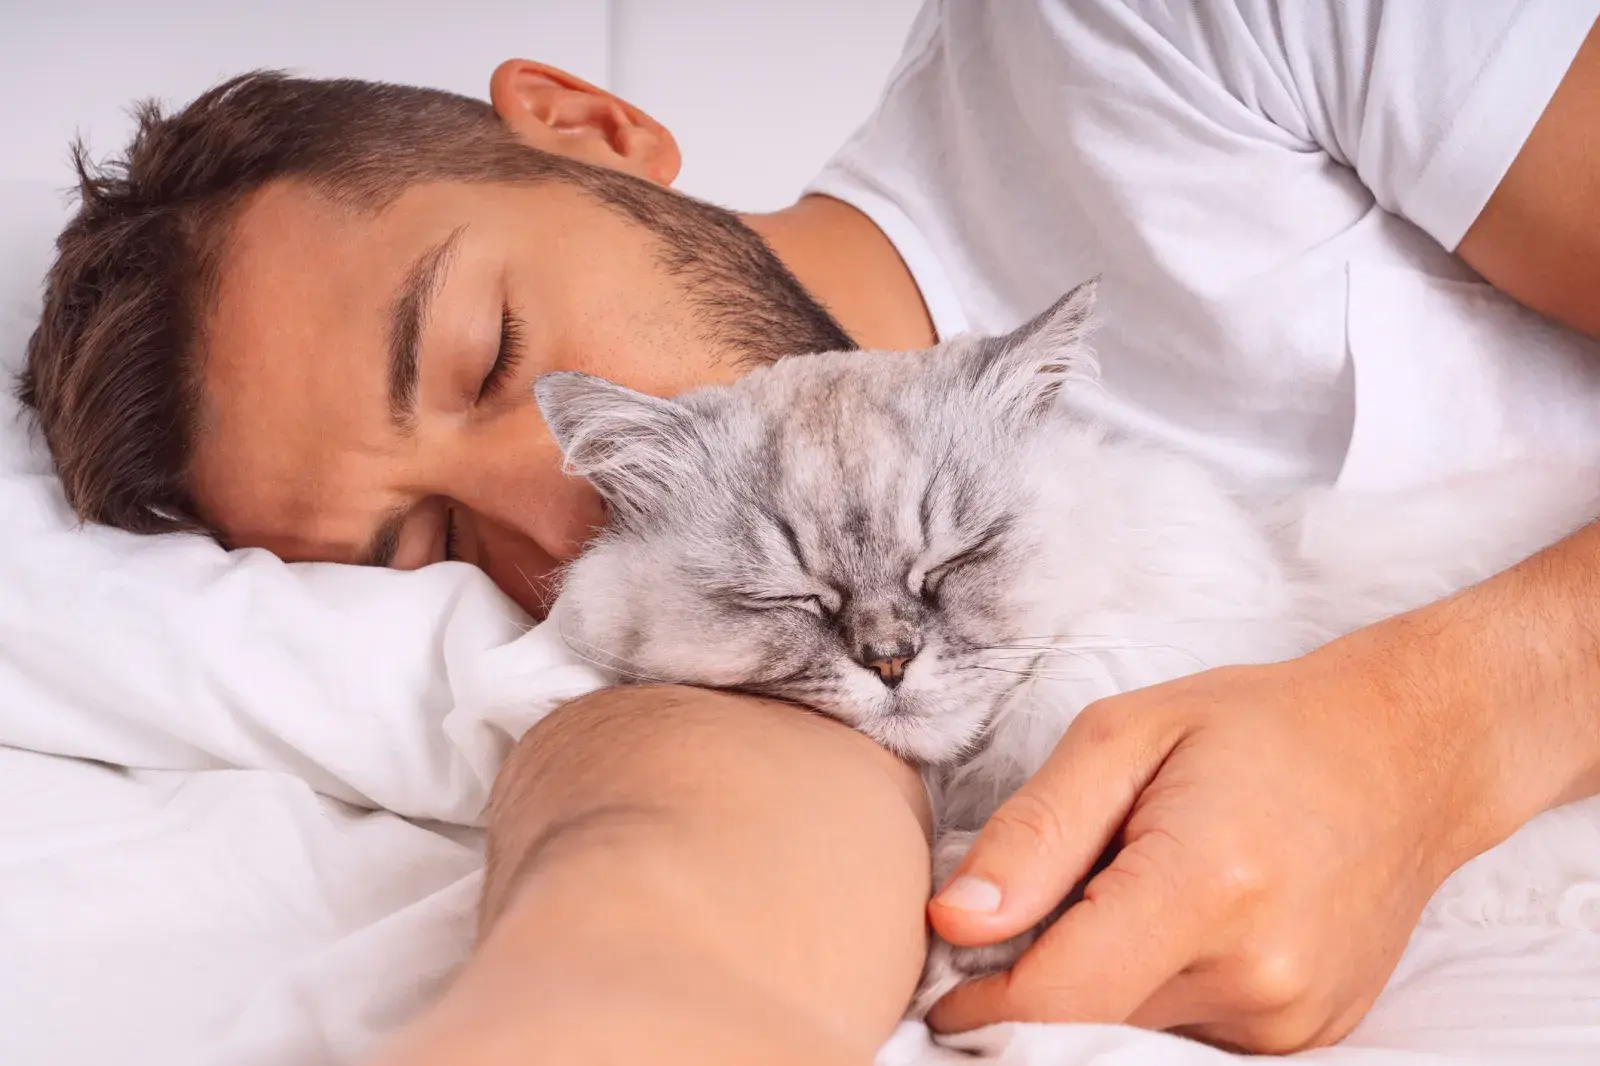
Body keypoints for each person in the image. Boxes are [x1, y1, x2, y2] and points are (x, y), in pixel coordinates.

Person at [16, 1, 1600, 1061]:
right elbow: (681, 904)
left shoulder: (1148, 37)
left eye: (491, 351)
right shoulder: (687, 622)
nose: (555, 503)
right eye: (422, 543)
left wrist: (1433, 731)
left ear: (587, 125)